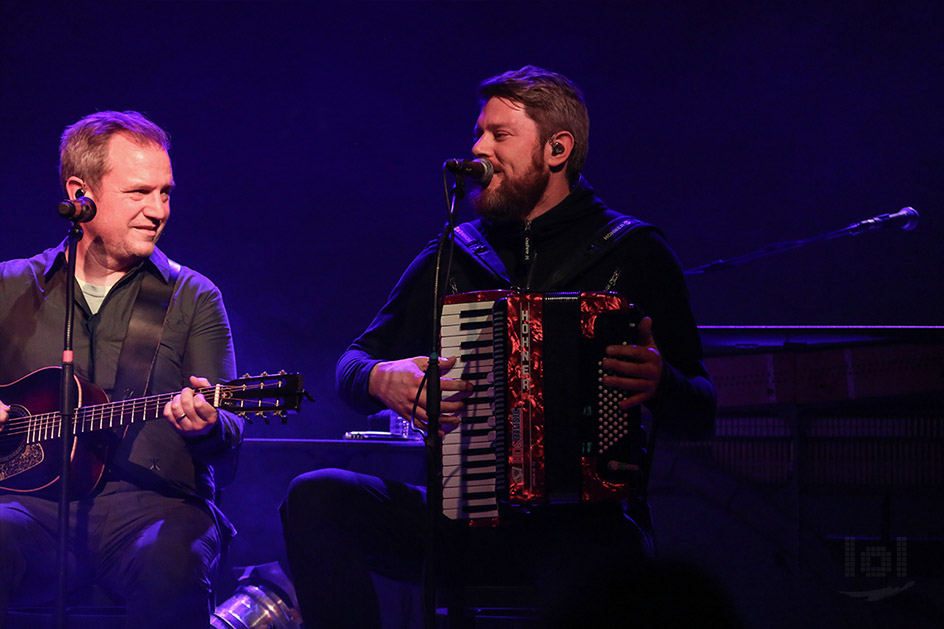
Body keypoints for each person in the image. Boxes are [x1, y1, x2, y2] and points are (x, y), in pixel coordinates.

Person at [280, 66, 717, 627]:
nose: (477, 148)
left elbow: (702, 409)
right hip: (462, 516)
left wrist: (664, 383)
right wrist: (379, 377)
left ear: (557, 150)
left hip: (584, 524)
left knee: (600, 563)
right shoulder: (454, 253)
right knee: (316, 496)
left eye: (499, 134)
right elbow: (349, 365)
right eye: (478, 132)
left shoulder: (632, 253)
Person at [0, 111, 243, 629]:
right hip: (29, 507)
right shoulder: (11, 287)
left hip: (152, 508)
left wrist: (208, 425)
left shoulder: (193, 296)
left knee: (170, 564)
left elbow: (230, 429)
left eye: (166, 193)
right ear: (79, 194)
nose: (158, 211)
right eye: (139, 193)